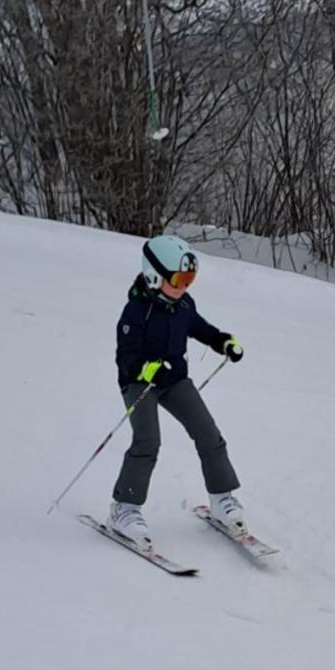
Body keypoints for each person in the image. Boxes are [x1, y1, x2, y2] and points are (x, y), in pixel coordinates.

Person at [109, 234, 245, 548]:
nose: (185, 286)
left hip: (174, 381)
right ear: (155, 275)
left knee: (208, 433)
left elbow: (199, 328)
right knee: (148, 440)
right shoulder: (135, 311)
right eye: (179, 279)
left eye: (190, 279)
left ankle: (222, 498)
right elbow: (125, 358)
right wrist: (145, 369)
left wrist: (222, 341)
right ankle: (124, 508)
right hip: (139, 384)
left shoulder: (183, 304)